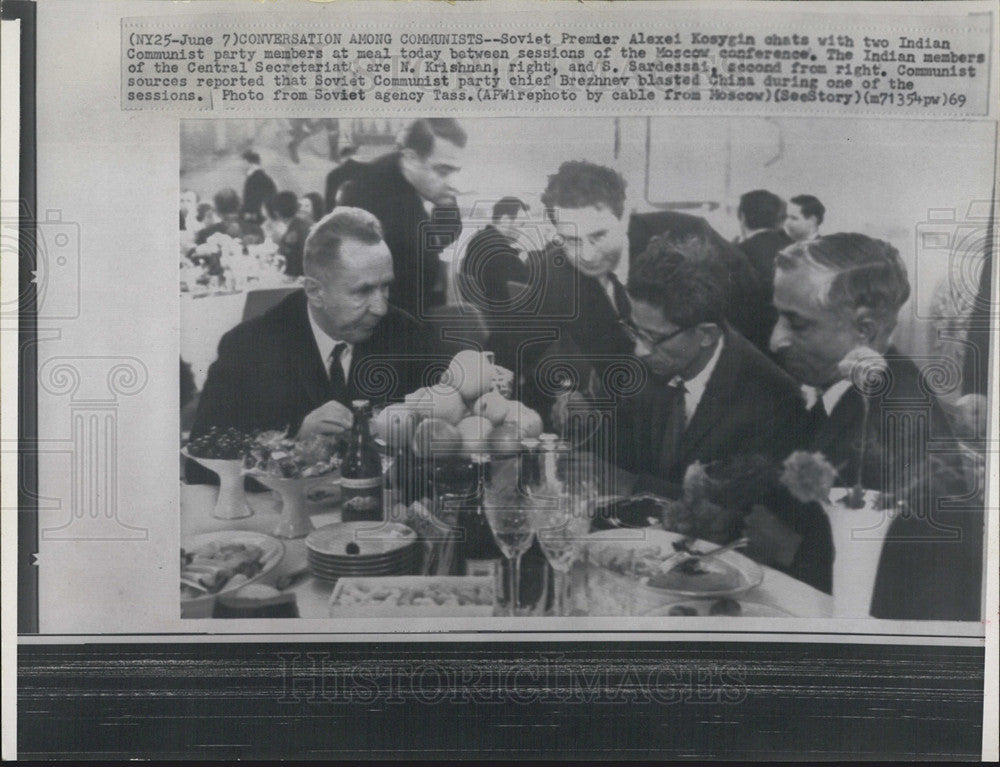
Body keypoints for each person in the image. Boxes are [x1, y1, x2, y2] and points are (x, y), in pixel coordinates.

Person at [770, 233, 983, 620]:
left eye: (797, 324)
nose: (775, 340)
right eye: (779, 316)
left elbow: (922, 592)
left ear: (864, 330)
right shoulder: (852, 388)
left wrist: (787, 548)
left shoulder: (901, 421)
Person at [608, 236, 828, 590]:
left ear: (707, 334)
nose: (638, 350)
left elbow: (732, 518)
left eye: (652, 337)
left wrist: (629, 484)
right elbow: (619, 449)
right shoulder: (653, 364)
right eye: (634, 330)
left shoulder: (772, 399)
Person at [188, 208, 440, 483]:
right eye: (363, 291)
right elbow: (201, 460)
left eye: (385, 287)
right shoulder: (249, 346)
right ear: (314, 291)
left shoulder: (407, 334)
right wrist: (291, 441)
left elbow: (448, 437)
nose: (380, 307)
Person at [338, 119, 465, 318]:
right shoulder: (376, 197)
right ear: (411, 158)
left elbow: (453, 227)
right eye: (443, 171)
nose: (456, 185)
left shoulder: (418, 172)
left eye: (456, 171)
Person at [458, 196, 533, 314]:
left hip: (480, 315)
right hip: (500, 320)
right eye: (522, 224)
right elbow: (527, 286)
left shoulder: (478, 239)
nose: (524, 231)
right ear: (504, 220)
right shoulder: (503, 254)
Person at [263, 191, 312, 277]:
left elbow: (288, 256)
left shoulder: (294, 230)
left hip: (298, 275)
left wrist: (277, 244)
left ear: (276, 212)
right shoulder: (303, 223)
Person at [240, 149, 277, 225]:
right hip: (263, 219)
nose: (242, 166)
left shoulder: (254, 179)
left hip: (257, 222)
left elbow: (251, 204)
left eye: (243, 163)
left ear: (248, 163)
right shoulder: (264, 178)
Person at [324, 145, 365, 213]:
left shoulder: (333, 174)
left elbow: (329, 201)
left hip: (340, 212)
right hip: (362, 211)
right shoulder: (364, 170)